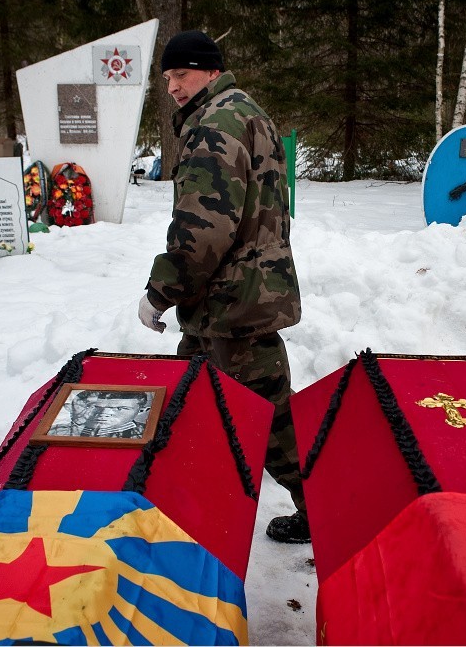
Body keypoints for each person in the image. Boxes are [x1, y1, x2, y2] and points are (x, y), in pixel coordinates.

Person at [138, 30, 308, 544]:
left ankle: (331, 507)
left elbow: (203, 230)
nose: (173, 86)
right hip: (239, 296)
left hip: (232, 305)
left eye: (182, 74)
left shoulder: (214, 125)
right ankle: (188, 504)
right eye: (167, 78)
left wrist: (160, 291)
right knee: (195, 403)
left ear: (211, 71)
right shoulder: (245, 112)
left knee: (273, 420)